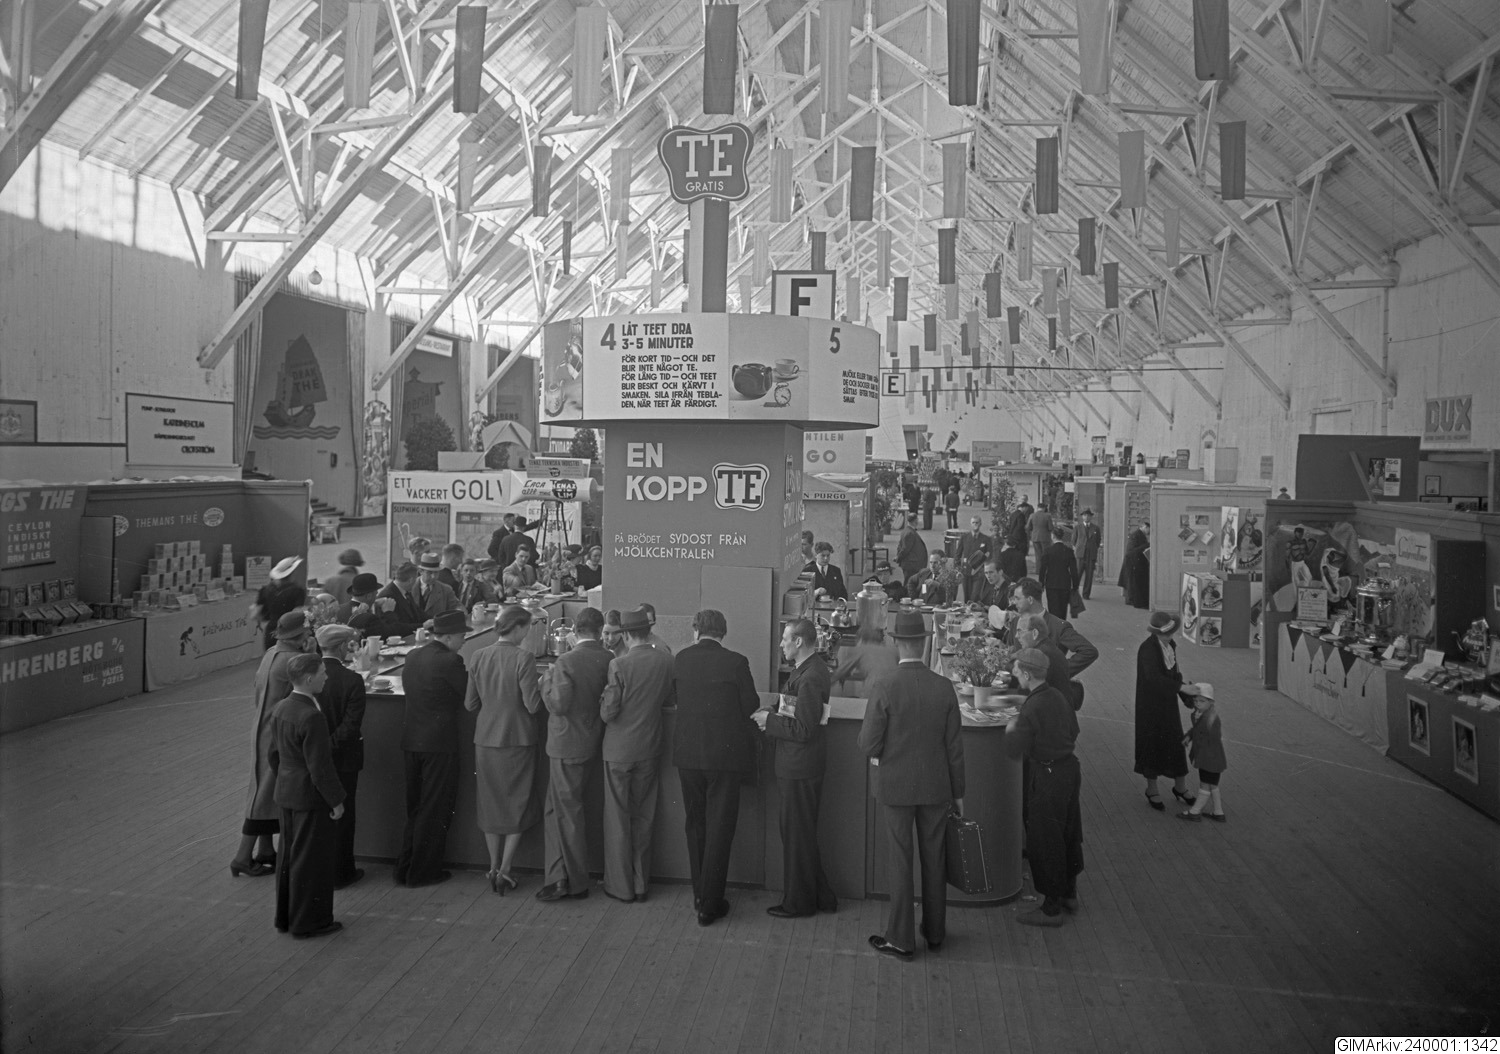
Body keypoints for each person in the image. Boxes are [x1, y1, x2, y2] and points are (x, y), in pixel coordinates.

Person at [857, 611, 965, 959]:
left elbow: (868, 744)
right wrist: (958, 793)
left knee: (901, 860)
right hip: (936, 786)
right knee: (935, 858)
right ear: (923, 643)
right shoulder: (944, 687)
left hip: (895, 787)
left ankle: (901, 938)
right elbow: (954, 749)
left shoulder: (885, 686)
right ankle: (935, 932)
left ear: (896, 642)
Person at [672, 609, 760, 926]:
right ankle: (710, 903)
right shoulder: (736, 662)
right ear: (723, 632)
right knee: (720, 826)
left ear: (696, 630)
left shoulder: (681, 659)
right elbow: (750, 705)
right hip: (724, 757)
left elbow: (674, 697)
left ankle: (699, 894)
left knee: (696, 823)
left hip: (688, 755)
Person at [756, 619, 837, 918]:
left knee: (796, 836)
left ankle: (798, 904)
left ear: (799, 641)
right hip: (800, 765)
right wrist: (772, 711)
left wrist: (769, 722)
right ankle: (822, 896)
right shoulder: (808, 669)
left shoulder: (810, 676)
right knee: (800, 834)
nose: (781, 644)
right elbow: (793, 709)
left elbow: (803, 728)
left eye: (785, 639)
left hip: (798, 767)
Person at [598, 608, 676, 902]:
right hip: (650, 746)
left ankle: (620, 886)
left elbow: (608, 713)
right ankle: (641, 884)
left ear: (627, 635)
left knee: (618, 818)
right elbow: (669, 699)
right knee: (644, 816)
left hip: (619, 749)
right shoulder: (666, 661)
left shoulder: (618, 664)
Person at [465, 604, 544, 894]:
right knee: (517, 804)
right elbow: (533, 705)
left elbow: (470, 704)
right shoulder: (524, 658)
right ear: (519, 628)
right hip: (518, 740)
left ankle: (492, 865)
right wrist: (543, 682)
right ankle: (505, 869)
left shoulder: (478, 655)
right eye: (528, 627)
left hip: (486, 740)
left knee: (490, 804)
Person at [537, 607, 613, 902]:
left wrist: (546, 681)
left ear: (575, 630)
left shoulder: (566, 661)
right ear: (600, 630)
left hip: (565, 744)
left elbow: (558, 704)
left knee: (566, 812)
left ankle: (574, 882)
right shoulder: (608, 658)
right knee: (555, 810)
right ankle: (556, 875)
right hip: (591, 741)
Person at [268, 653, 347, 939]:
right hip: (309, 797)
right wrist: (336, 801)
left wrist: (287, 780)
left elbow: (273, 755)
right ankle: (309, 921)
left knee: (288, 856)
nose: (326, 676)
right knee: (311, 860)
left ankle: (286, 917)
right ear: (310, 678)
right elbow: (320, 767)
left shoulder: (281, 708)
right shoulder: (312, 716)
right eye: (323, 672)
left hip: (287, 791)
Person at [1004, 647, 1084, 927]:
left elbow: (1014, 749)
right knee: (1068, 833)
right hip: (1069, 769)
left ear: (1027, 674)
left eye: (1017, 669)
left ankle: (1051, 909)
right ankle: (1069, 894)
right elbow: (1073, 730)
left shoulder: (1032, 707)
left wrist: (1012, 726)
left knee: (1045, 839)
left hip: (1047, 775)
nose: (1014, 673)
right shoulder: (1056, 696)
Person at [231, 610, 314, 877]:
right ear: (298, 635)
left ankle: (265, 850)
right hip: (276, 734)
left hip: (262, 727)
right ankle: (242, 857)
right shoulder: (293, 660)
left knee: (265, 793)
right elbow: (311, 685)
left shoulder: (271, 654)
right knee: (263, 796)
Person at [395, 609, 472, 886]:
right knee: (435, 808)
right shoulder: (451, 661)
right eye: (462, 636)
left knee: (416, 807)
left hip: (412, 740)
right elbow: (469, 694)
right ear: (448, 637)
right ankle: (424, 872)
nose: (464, 641)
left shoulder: (413, 655)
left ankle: (405, 868)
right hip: (439, 744)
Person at [314, 624, 367, 889]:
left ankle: (321, 869)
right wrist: (331, 746)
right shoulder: (352, 680)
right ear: (342, 646)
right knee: (345, 816)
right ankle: (343, 871)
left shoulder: (309, 677)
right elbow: (350, 726)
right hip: (344, 758)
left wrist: (319, 749)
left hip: (314, 758)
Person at [1134, 611, 1195, 812]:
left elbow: (1174, 674)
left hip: (1168, 705)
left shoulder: (1170, 646)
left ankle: (1180, 787)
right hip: (1150, 707)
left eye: (1171, 633)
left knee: (1176, 743)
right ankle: (1151, 789)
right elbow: (1153, 679)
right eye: (1165, 634)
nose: (1169, 637)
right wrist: (1181, 688)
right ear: (1156, 633)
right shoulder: (1147, 649)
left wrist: (1187, 696)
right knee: (1151, 745)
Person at [1004, 579, 1098, 678]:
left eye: (1017, 598)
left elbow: (1089, 651)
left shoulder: (1058, 626)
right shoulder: (1016, 622)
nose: (1014, 602)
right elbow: (1011, 652)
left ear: (1030, 600)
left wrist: (1058, 672)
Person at [1178, 683, 1227, 822]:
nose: (1198, 704)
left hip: (1209, 758)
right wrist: (1189, 736)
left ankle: (1195, 811)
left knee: (1204, 785)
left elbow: (1210, 737)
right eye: (1196, 701)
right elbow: (1196, 730)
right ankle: (1218, 812)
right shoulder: (1201, 714)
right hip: (1213, 759)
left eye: (1202, 701)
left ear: (1211, 702)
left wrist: (1194, 737)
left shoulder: (1210, 718)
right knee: (1213, 785)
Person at [251, 556, 307, 650]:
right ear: (292, 573)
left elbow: (256, 615)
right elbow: (297, 613)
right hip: (290, 632)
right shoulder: (297, 591)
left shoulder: (265, 590)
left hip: (271, 630)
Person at [831, 622, 899, 698]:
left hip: (874, 691)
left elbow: (841, 671)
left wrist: (827, 682)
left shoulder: (861, 649)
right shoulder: (892, 650)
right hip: (896, 691)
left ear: (861, 638)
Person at [347, 572, 422, 639]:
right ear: (369, 596)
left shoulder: (342, 609)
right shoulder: (369, 618)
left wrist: (373, 604)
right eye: (376, 594)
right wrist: (388, 612)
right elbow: (394, 632)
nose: (377, 597)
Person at [1038, 526, 1079, 619]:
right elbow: (1074, 571)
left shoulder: (1048, 551)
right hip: (1065, 583)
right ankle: (1062, 625)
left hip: (1051, 583)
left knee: (1053, 608)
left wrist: (1041, 583)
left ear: (1053, 536)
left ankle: (1054, 626)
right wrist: (1075, 586)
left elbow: (1042, 569)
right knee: (1063, 609)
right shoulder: (1069, 551)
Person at [378, 562, 427, 628]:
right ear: (410, 580)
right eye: (415, 579)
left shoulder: (405, 591)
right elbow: (396, 626)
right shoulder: (387, 596)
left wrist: (435, 620)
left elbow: (417, 612)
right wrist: (423, 626)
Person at [413, 552, 461, 617]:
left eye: (436, 572)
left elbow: (457, 606)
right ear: (421, 571)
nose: (433, 576)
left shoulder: (446, 590)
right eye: (430, 572)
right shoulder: (409, 587)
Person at [956, 515, 992, 602]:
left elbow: (990, 555)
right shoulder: (964, 538)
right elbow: (958, 554)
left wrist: (985, 568)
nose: (975, 524)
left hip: (979, 573)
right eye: (973, 522)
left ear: (980, 524)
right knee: (967, 596)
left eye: (977, 522)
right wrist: (958, 569)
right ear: (970, 524)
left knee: (975, 595)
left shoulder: (986, 539)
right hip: (966, 572)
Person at [1120, 519, 1151, 609]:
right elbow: (1133, 550)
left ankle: (1133, 600)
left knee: (1134, 583)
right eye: (1149, 529)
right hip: (1134, 563)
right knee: (1135, 584)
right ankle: (1135, 601)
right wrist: (1147, 545)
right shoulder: (1136, 535)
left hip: (1135, 562)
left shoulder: (1138, 535)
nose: (1149, 532)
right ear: (1145, 527)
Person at [1074, 509, 1102, 599]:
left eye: (1088, 515)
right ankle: (1074, 592)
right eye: (1085, 515)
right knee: (1078, 574)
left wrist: (1093, 548)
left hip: (1091, 555)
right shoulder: (1077, 527)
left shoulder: (1096, 528)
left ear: (1091, 517)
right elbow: (1073, 540)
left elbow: (1098, 541)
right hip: (1081, 554)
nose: (1087, 517)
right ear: (1082, 517)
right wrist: (1079, 548)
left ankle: (1086, 594)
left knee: (1089, 576)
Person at [1027, 503, 1054, 572]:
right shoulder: (1048, 516)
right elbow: (1050, 528)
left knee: (1038, 555)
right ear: (1044, 508)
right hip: (1045, 537)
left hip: (1035, 537)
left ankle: (1038, 570)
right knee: (1046, 554)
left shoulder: (1032, 515)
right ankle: (1045, 569)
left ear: (1037, 507)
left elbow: (1028, 527)